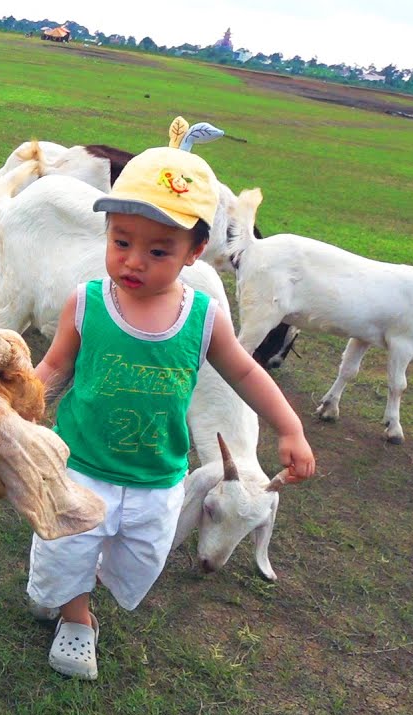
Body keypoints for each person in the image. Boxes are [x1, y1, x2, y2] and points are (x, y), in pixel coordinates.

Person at [27, 146, 316, 681]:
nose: (134, 260)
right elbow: (53, 366)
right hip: (81, 466)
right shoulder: (86, 302)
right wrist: (17, 407)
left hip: (157, 480)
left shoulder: (204, 318)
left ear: (195, 251)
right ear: (108, 232)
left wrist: (291, 426)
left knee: (138, 555)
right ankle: (76, 617)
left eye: (158, 251)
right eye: (121, 242)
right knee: (68, 543)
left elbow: (248, 373)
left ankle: (73, 579)